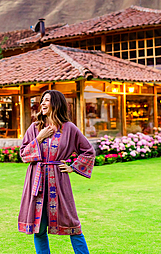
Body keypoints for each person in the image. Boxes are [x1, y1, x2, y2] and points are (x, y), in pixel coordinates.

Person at [18, 90, 95, 254]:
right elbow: (24, 154)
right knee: (38, 227)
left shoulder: (69, 129)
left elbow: (88, 151)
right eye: (42, 100)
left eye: (47, 100)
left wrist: (72, 167)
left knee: (73, 224)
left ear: (57, 104)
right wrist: (39, 138)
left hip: (58, 181)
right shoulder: (35, 127)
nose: (42, 103)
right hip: (36, 180)